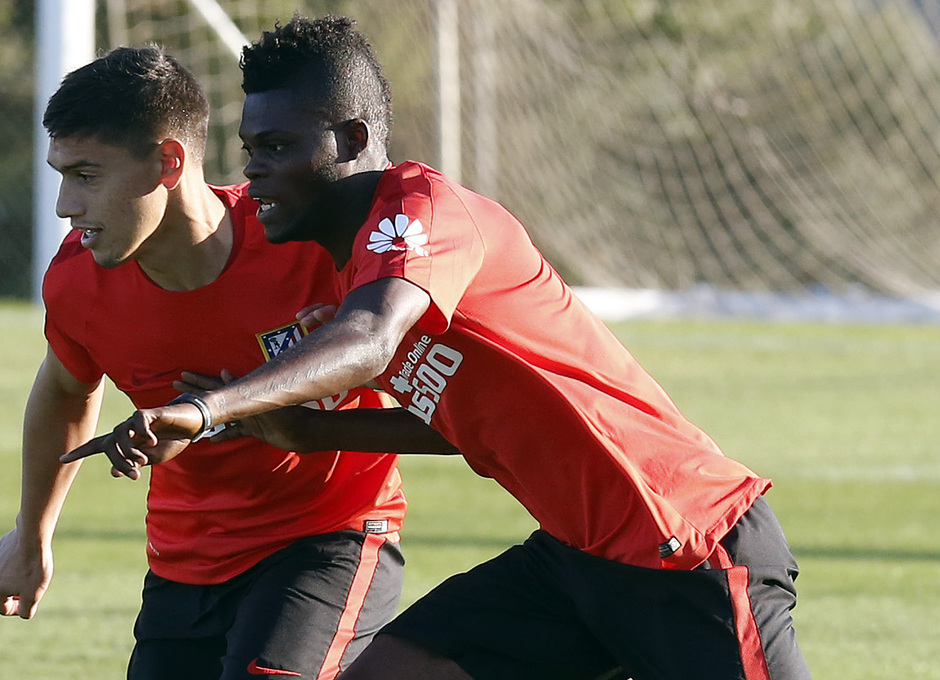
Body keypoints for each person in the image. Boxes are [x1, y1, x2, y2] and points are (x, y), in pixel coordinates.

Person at [69, 17, 812, 680]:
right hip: (574, 561)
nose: (253, 168)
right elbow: (469, 419)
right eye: (249, 148)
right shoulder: (341, 259)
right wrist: (311, 430)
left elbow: (367, 342)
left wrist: (205, 410)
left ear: (352, 142)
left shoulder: (423, 214)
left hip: (689, 546)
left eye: (278, 146)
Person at [0, 46, 454, 680]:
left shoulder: (309, 238)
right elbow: (65, 391)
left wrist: (263, 410)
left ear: (169, 161)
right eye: (61, 176)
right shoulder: (77, 282)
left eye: (85, 175)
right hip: (184, 562)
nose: (64, 206)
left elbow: (438, 376)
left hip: (330, 536)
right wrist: (33, 534)